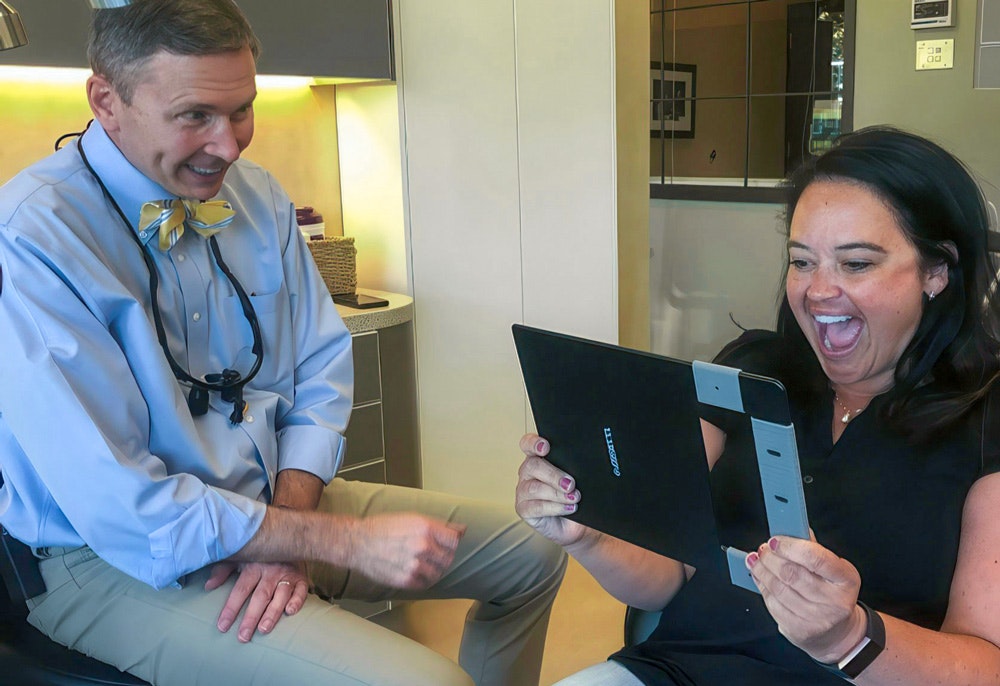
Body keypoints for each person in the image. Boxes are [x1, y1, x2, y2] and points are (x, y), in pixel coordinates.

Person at [0, 2, 566, 685]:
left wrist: (285, 528)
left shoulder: (257, 197)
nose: (230, 144)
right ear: (106, 100)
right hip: (113, 559)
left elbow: (319, 373)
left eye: (242, 110)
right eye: (195, 116)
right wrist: (333, 539)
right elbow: (120, 504)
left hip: (272, 505)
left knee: (536, 553)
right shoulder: (34, 237)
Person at [516, 126, 1000, 685]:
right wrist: (590, 534)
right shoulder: (755, 370)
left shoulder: (985, 416)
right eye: (802, 261)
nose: (818, 292)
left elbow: (983, 668)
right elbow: (666, 572)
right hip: (680, 671)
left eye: (857, 263)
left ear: (936, 271)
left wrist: (848, 638)